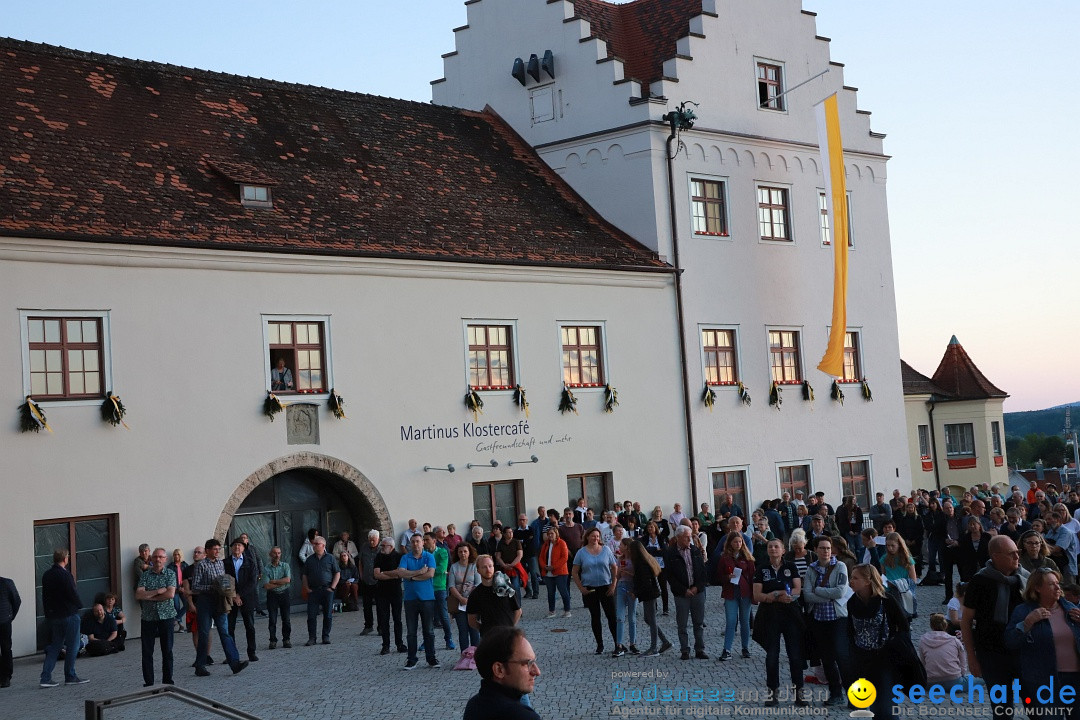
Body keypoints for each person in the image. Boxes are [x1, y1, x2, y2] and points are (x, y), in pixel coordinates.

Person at [961, 535, 1028, 718]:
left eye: (1018, 552)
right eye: (1012, 553)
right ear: (996, 556)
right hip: (992, 654)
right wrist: (971, 656)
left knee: (1036, 705)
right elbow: (966, 620)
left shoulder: (1025, 579)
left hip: (1023, 653)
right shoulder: (979, 581)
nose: (1017, 557)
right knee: (1002, 710)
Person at [1004, 567, 1080, 720]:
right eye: (1052, 584)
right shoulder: (1023, 611)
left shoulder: (1071, 610)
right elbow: (1010, 641)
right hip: (1044, 681)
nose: (1058, 587)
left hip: (1075, 679)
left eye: (1058, 583)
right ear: (1037, 588)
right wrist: (1027, 623)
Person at [847, 563, 912, 719]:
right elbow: (850, 631)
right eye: (851, 577)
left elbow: (903, 626)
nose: (851, 581)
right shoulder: (852, 602)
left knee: (887, 709)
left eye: (855, 578)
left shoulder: (886, 600)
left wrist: (899, 650)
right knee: (876, 707)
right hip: (864, 661)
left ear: (868, 581)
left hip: (886, 660)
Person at [752, 538, 805, 706]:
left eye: (776, 546)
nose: (773, 549)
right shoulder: (762, 568)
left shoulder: (791, 566)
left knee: (795, 655)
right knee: (772, 655)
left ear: (783, 550)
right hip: (770, 615)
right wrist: (775, 595)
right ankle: (772, 693)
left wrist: (779, 594)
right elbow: (757, 595)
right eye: (770, 547)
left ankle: (799, 693)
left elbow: (797, 589)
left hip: (790, 614)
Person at [802, 535, 850, 707]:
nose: (826, 551)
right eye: (822, 548)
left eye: (828, 548)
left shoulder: (840, 566)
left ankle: (854, 695)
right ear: (815, 550)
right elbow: (807, 595)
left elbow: (840, 592)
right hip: (819, 620)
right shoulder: (811, 570)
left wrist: (818, 590)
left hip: (837, 618)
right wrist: (826, 596)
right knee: (827, 660)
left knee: (842, 657)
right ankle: (835, 693)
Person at [190, 538, 247, 677]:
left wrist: (226, 588)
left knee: (225, 632)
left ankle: (234, 663)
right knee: (204, 633)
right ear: (207, 551)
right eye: (214, 549)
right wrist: (214, 587)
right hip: (205, 601)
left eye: (218, 549)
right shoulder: (201, 565)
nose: (217, 552)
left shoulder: (221, 563)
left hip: (219, 601)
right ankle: (200, 665)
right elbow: (195, 587)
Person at [462, 626, 542, 720]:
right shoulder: (523, 716)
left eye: (534, 662)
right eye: (527, 663)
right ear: (499, 670)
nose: (537, 671)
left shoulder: (474, 705)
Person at [40, 549, 87, 687]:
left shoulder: (46, 575)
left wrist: (48, 613)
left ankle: (45, 677)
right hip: (69, 614)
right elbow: (72, 593)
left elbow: (45, 596)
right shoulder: (66, 575)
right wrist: (79, 605)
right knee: (73, 645)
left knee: (55, 646)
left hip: (54, 615)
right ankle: (70, 676)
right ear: (65, 559)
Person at [392, 532, 438, 669]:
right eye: (413, 542)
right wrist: (418, 573)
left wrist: (410, 576)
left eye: (418, 541)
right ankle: (412, 659)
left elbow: (430, 574)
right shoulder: (405, 557)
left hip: (427, 598)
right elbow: (400, 572)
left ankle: (431, 658)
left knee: (429, 631)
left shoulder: (429, 557)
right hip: (410, 599)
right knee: (411, 632)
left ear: (423, 542)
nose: (415, 544)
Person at [664, 525, 708, 660]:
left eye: (690, 536)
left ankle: (699, 649)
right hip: (681, 594)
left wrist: (697, 587)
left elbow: (703, 572)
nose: (689, 539)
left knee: (698, 623)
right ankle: (685, 650)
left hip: (697, 591)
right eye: (686, 537)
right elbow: (669, 576)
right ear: (678, 537)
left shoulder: (695, 550)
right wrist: (684, 590)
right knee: (682, 624)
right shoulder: (670, 553)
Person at [135, 547, 177, 687]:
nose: (158, 559)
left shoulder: (170, 574)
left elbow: (170, 594)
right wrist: (158, 592)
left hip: (167, 616)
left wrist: (149, 596)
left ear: (165, 559)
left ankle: (167, 679)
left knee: (167, 649)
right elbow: (138, 595)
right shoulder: (145, 575)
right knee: (147, 651)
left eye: (160, 557)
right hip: (148, 617)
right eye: (155, 557)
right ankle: (149, 681)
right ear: (151, 559)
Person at [573, 527, 618, 655]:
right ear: (587, 537)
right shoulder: (581, 552)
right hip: (590, 588)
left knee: (611, 616)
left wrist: (613, 584)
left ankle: (617, 643)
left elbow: (614, 567)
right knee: (595, 616)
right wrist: (581, 588)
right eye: (593, 536)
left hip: (605, 586)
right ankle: (600, 644)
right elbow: (575, 572)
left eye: (598, 536)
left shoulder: (606, 550)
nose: (596, 538)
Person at [716, 531, 755, 662]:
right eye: (735, 542)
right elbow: (718, 576)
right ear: (730, 543)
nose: (738, 544)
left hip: (745, 593)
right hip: (731, 592)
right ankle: (727, 649)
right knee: (731, 621)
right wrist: (727, 577)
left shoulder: (748, 558)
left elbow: (752, 576)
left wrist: (754, 594)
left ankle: (745, 647)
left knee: (745, 621)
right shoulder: (724, 558)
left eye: (740, 541)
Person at [628, 539, 670, 658]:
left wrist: (635, 593)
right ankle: (665, 641)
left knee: (651, 620)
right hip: (650, 593)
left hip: (649, 594)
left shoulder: (641, 564)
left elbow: (645, 583)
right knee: (648, 619)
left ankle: (654, 647)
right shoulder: (644, 561)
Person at [467, 554, 521, 639]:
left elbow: (518, 611)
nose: (488, 570)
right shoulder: (475, 594)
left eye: (490, 566)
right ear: (478, 570)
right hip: (488, 638)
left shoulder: (506, 588)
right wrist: (484, 629)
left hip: (508, 636)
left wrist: (510, 627)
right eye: (484, 567)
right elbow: (472, 620)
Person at [301, 536, 340, 646]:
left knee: (327, 615)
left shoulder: (330, 558)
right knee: (311, 615)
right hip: (313, 591)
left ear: (323, 545)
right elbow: (304, 575)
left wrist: (332, 587)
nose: (314, 545)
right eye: (314, 543)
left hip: (326, 589)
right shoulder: (309, 559)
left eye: (317, 544)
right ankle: (312, 637)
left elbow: (337, 572)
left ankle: (325, 636)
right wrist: (306, 588)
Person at [224, 538, 259, 662]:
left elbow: (252, 582)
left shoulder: (250, 562)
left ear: (244, 548)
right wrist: (233, 596)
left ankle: (252, 652)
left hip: (247, 597)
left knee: (249, 626)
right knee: (229, 628)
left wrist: (240, 595)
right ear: (231, 548)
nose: (237, 548)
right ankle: (231, 655)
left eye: (240, 545)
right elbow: (224, 581)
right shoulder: (225, 562)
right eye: (235, 545)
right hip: (230, 599)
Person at [373, 537, 406, 654]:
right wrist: (392, 574)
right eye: (381, 545)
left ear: (391, 547)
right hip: (381, 592)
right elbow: (376, 574)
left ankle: (399, 643)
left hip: (395, 590)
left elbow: (399, 573)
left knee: (397, 619)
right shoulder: (379, 557)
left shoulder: (399, 557)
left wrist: (385, 573)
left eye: (383, 546)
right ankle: (385, 645)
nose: (381, 548)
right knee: (384, 619)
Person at [918, 613, 968, 688]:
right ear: (946, 625)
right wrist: (962, 674)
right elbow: (963, 662)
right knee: (978, 679)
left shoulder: (923, 640)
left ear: (931, 626)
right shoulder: (954, 640)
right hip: (953, 680)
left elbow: (922, 662)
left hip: (931, 682)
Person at [426, 532, 455, 650]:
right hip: (427, 587)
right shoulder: (425, 554)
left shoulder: (442, 552)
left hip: (440, 587)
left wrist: (427, 570)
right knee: (427, 616)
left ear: (433, 541)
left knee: (443, 615)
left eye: (426, 540)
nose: (424, 542)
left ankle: (449, 638)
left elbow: (442, 568)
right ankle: (427, 640)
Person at [450, 542, 482, 651]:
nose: (463, 554)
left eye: (465, 551)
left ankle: (476, 655)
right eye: (460, 552)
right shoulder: (454, 567)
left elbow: (478, 584)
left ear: (469, 552)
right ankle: (464, 655)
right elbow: (451, 586)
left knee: (474, 630)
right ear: (457, 553)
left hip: (473, 602)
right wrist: (461, 598)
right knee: (462, 631)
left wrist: (469, 598)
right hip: (459, 603)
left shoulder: (474, 566)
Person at [262, 545, 291, 649]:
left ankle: (286, 639)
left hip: (284, 594)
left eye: (279, 553)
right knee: (272, 619)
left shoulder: (285, 566)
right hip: (272, 595)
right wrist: (281, 582)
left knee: (286, 619)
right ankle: (272, 640)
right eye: (275, 553)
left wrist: (274, 581)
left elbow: (288, 580)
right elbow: (266, 585)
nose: (277, 555)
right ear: (270, 554)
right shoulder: (266, 568)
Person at [538, 526, 571, 618]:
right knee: (550, 592)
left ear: (556, 534)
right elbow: (540, 557)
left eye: (552, 533)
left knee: (563, 591)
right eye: (548, 534)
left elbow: (564, 557)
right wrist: (544, 566)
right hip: (548, 572)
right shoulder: (545, 544)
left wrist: (553, 567)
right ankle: (552, 611)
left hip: (560, 572)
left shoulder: (562, 543)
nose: (550, 535)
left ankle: (567, 610)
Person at [613, 537, 637, 656]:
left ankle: (633, 643)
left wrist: (626, 572)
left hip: (632, 587)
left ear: (627, 546)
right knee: (620, 616)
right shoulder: (620, 558)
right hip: (621, 586)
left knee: (632, 617)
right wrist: (619, 572)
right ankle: (619, 645)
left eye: (621, 545)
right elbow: (617, 576)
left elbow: (637, 575)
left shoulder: (634, 559)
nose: (619, 547)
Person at [642, 521, 669, 616]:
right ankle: (655, 607)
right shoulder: (645, 539)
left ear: (655, 528)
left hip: (661, 565)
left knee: (663, 587)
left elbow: (665, 550)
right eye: (648, 527)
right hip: (649, 565)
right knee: (653, 586)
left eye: (652, 527)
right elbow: (644, 551)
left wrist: (652, 551)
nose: (650, 529)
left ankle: (665, 608)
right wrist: (655, 550)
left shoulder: (661, 538)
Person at [357, 529, 380, 635]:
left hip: (378, 581)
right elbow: (360, 562)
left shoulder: (381, 549)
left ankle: (381, 627)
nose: (371, 542)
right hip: (366, 580)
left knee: (380, 605)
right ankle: (368, 625)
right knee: (366, 605)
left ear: (378, 539)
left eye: (373, 540)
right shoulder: (364, 547)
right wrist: (361, 574)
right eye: (370, 540)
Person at [0, 573, 19, 689]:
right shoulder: (7, 583)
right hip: (4, 620)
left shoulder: (7, 583)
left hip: (4, 619)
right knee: (6, 648)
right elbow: (16, 600)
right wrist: (11, 616)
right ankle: (6, 677)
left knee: (6, 648)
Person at [958, 517, 990, 582]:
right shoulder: (965, 538)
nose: (972, 526)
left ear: (979, 525)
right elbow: (963, 555)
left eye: (974, 524)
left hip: (985, 566)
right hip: (970, 568)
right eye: (970, 524)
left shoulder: (986, 537)